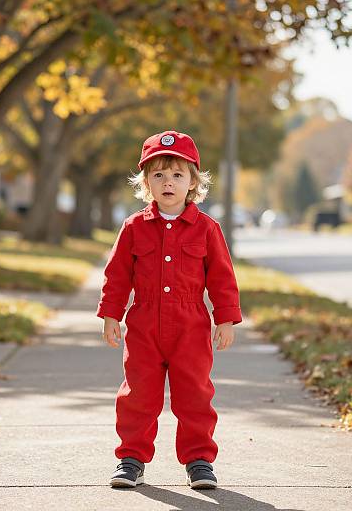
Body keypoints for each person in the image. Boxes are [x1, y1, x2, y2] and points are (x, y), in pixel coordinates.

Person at [96, 130, 242, 489]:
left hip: (190, 325)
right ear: (146, 182)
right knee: (138, 394)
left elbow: (222, 277)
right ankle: (131, 459)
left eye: (177, 174)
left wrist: (225, 318)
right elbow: (117, 275)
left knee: (194, 394)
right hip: (144, 324)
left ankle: (199, 461)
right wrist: (111, 314)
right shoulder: (134, 227)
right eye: (158, 174)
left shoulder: (208, 229)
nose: (168, 182)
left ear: (193, 181)